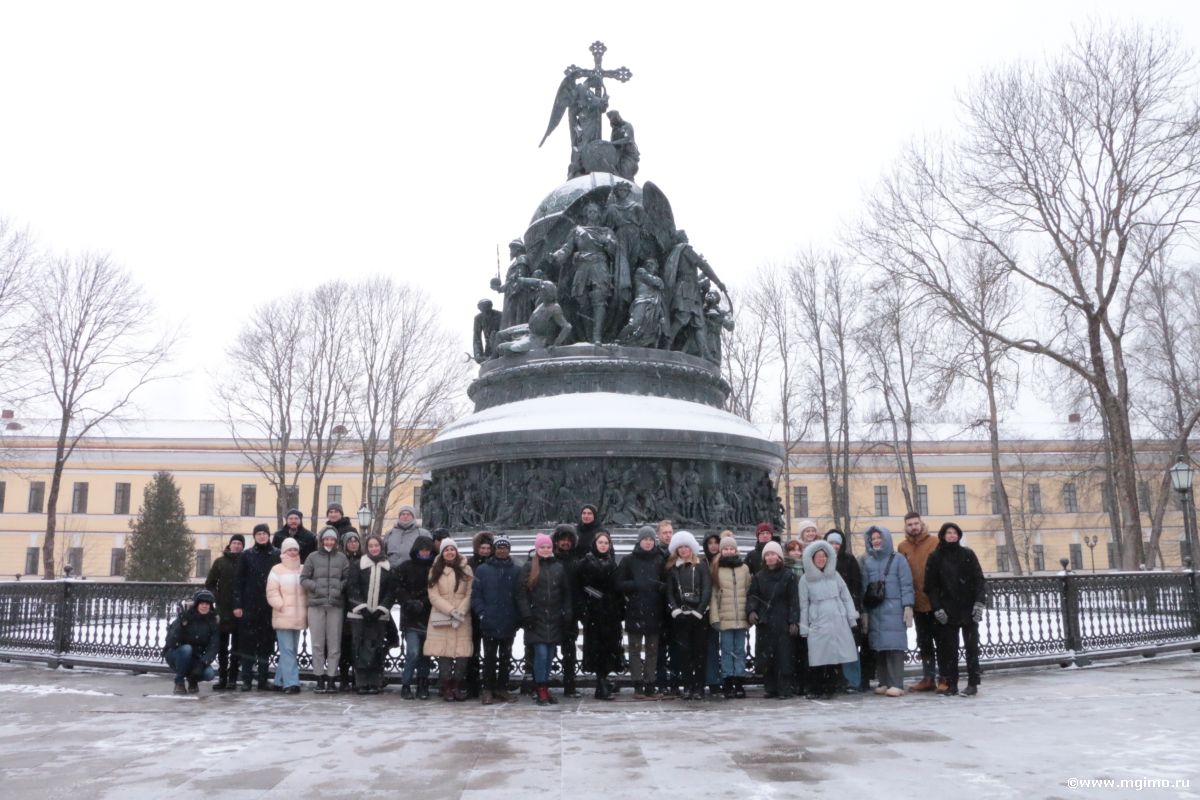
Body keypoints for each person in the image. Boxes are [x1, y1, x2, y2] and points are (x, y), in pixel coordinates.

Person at [924, 522, 986, 696]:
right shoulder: (935, 557)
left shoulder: (968, 554)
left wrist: (979, 603)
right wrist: (937, 608)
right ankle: (952, 684)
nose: (951, 535)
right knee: (949, 649)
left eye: (954, 533)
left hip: (969, 608)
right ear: (943, 536)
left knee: (971, 647)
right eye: (948, 533)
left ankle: (973, 682)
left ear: (959, 535)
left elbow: (979, 580)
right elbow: (931, 586)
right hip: (947, 609)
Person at [798, 540, 859, 699]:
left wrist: (851, 617)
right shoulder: (805, 579)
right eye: (818, 556)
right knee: (818, 657)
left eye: (824, 556)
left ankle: (831, 687)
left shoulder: (835, 575)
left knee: (834, 655)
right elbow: (803, 604)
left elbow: (846, 596)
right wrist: (804, 628)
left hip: (837, 619)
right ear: (811, 559)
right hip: (818, 620)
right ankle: (816, 687)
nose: (821, 559)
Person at [517, 532, 572, 706]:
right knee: (540, 654)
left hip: (554, 618)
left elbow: (566, 593)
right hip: (536, 618)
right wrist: (527, 614)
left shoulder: (558, 567)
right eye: (542, 547)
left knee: (549, 655)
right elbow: (521, 594)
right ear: (537, 548)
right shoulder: (529, 567)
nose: (546, 550)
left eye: (548, 547)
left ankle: (544, 686)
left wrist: (566, 612)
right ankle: (540, 687)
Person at [862, 525, 914, 697]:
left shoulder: (898, 559)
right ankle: (884, 681)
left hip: (894, 609)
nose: (876, 541)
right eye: (873, 538)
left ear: (886, 539)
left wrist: (908, 606)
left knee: (894, 648)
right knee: (880, 648)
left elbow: (906, 584)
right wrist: (864, 611)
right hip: (876, 610)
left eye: (879, 538)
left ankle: (897, 683)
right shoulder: (868, 561)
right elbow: (865, 588)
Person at [471, 534, 521, 704]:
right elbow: (476, 594)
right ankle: (487, 689)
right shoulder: (483, 570)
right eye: (499, 547)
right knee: (489, 658)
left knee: (506, 657)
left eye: (505, 548)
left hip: (508, 620)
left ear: (509, 550)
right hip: (489, 621)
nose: (502, 550)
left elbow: (519, 596)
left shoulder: (516, 570)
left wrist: (517, 616)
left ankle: (502, 688)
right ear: (494, 549)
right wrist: (482, 613)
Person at [618, 526, 666, 699]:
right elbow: (619, 584)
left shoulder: (660, 560)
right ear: (640, 540)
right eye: (645, 539)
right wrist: (636, 585)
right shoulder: (628, 560)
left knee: (653, 649)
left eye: (651, 539)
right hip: (635, 610)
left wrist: (660, 587)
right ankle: (637, 683)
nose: (648, 542)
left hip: (655, 610)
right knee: (635, 649)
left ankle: (650, 683)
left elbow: (667, 584)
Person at [746, 540, 798, 699]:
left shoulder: (789, 576)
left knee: (784, 656)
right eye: (767, 555)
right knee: (766, 656)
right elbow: (753, 596)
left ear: (779, 557)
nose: (770, 557)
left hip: (782, 620)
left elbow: (793, 600)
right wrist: (752, 611)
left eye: (773, 554)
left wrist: (793, 620)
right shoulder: (759, 576)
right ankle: (770, 687)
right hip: (766, 621)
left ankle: (784, 688)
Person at [347, 534, 398, 695]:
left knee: (377, 647)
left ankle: (375, 681)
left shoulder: (389, 567)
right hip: (359, 615)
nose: (374, 549)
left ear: (381, 547)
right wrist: (361, 607)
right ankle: (361, 682)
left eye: (376, 546)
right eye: (371, 546)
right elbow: (352, 587)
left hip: (379, 615)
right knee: (359, 647)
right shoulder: (358, 565)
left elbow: (391, 591)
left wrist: (381, 609)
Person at [424, 538, 474, 702]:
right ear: (442, 552)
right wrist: (450, 610)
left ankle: (457, 686)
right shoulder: (435, 570)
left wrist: (460, 611)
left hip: (462, 617)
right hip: (442, 616)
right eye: (446, 550)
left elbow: (469, 593)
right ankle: (446, 687)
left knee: (462, 656)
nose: (450, 552)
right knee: (443, 654)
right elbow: (433, 595)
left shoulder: (466, 570)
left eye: (452, 549)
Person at [301, 526, 350, 693]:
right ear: (322, 540)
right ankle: (319, 677)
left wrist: (338, 588)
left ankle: (331, 678)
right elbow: (304, 578)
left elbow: (347, 578)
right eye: (326, 539)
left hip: (335, 605)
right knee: (317, 644)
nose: (329, 542)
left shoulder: (342, 558)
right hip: (316, 605)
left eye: (332, 539)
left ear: (336, 541)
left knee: (334, 644)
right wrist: (315, 587)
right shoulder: (312, 557)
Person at [665, 530, 712, 700]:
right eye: (680, 547)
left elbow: (707, 589)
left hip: (698, 616)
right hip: (681, 616)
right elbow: (669, 592)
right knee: (683, 653)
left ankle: (699, 686)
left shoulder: (701, 566)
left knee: (699, 652)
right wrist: (676, 610)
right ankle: (687, 685)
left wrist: (699, 611)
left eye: (686, 546)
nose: (684, 550)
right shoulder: (673, 568)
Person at [233, 523, 280, 691]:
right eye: (259, 533)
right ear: (254, 536)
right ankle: (246, 679)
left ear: (269, 535)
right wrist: (237, 605)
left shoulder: (276, 554)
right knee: (248, 645)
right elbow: (238, 582)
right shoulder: (246, 556)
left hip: (269, 607)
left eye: (264, 533)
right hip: (249, 606)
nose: (261, 536)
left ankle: (262, 679)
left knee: (266, 646)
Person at [577, 529, 623, 700]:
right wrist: (595, 597)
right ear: (595, 544)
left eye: (606, 543)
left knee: (609, 647)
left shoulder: (611, 561)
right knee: (597, 648)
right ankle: (601, 683)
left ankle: (603, 680)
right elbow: (581, 585)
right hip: (595, 612)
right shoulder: (586, 562)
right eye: (600, 543)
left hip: (610, 612)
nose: (603, 545)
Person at [897, 511, 940, 692]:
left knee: (942, 641)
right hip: (917, 603)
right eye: (910, 524)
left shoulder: (934, 542)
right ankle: (928, 677)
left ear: (921, 524)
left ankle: (945, 676)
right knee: (924, 642)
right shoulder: (902, 547)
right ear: (906, 527)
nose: (914, 527)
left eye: (916, 523)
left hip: (936, 601)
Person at [710, 533, 750, 698]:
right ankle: (727, 680)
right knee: (726, 650)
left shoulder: (744, 568)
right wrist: (714, 617)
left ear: (736, 550)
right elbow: (713, 595)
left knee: (739, 650)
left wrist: (749, 613)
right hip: (725, 617)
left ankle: (739, 681)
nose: (728, 551)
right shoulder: (716, 568)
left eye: (731, 548)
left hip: (741, 616)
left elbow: (749, 591)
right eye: (725, 548)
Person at [396, 534, 435, 699]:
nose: (425, 553)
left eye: (427, 551)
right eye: (422, 550)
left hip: (428, 616)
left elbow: (436, 590)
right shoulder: (405, 567)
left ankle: (422, 683)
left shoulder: (435, 568)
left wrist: (423, 602)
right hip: (410, 617)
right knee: (413, 652)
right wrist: (409, 602)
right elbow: (398, 587)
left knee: (426, 653)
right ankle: (406, 684)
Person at [267, 537, 307, 695]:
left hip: (298, 616)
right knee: (288, 650)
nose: (293, 552)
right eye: (289, 549)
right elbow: (272, 591)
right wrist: (281, 605)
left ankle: (279, 681)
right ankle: (291, 683)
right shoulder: (277, 569)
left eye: (295, 549)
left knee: (290, 651)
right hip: (283, 615)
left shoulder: (303, 569)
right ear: (283, 551)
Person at [825, 530, 864, 692]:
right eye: (831, 543)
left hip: (846, 609)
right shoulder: (822, 559)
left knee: (849, 646)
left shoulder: (849, 560)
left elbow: (856, 585)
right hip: (827, 610)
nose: (834, 546)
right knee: (830, 648)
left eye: (837, 544)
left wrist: (853, 608)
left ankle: (852, 681)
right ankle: (835, 680)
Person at [204, 533, 243, 691]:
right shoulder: (220, 562)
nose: (237, 545)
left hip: (240, 610)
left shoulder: (245, 561)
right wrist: (217, 598)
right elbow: (210, 583)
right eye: (234, 542)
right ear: (230, 544)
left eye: (240, 543)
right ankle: (222, 678)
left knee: (237, 648)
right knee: (222, 647)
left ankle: (233, 679)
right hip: (222, 610)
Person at [163, 589, 220, 695]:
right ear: (196, 605)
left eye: (207, 604)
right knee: (186, 649)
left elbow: (214, 647)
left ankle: (192, 680)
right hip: (176, 654)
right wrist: (181, 625)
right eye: (202, 603)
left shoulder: (212, 622)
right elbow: (171, 641)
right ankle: (179, 682)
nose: (204, 606)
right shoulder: (186, 617)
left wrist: (203, 663)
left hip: (196, 657)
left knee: (209, 674)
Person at [552, 523, 583, 697]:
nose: (565, 543)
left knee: (569, 651)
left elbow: (579, 588)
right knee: (547, 650)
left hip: (570, 612)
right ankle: (540, 686)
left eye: (568, 540)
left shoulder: (576, 562)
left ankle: (569, 686)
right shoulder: (548, 559)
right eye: (562, 539)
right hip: (551, 611)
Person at [465, 531, 495, 698]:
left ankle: (490, 684)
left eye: (487, 548)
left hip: (491, 612)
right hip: (473, 612)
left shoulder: (495, 563)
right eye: (482, 548)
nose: (484, 551)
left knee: (490, 651)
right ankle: (472, 684)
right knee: (473, 650)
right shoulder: (469, 564)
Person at [337, 529, 363, 692]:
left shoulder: (363, 560)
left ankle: (357, 676)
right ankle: (344, 676)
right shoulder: (340, 560)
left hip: (358, 605)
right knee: (344, 644)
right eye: (350, 541)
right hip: (342, 605)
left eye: (355, 541)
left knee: (357, 645)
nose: (353, 544)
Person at [784, 538, 810, 697]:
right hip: (790, 613)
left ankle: (804, 682)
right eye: (793, 550)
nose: (796, 553)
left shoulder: (807, 567)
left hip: (805, 611)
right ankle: (794, 683)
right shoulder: (785, 569)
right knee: (791, 651)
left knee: (805, 650)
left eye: (798, 549)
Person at [700, 532, 723, 696]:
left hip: (720, 608)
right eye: (710, 543)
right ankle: (703, 679)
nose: (713, 546)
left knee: (715, 647)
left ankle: (715, 680)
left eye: (716, 542)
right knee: (702, 647)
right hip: (703, 608)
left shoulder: (723, 561)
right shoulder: (701, 563)